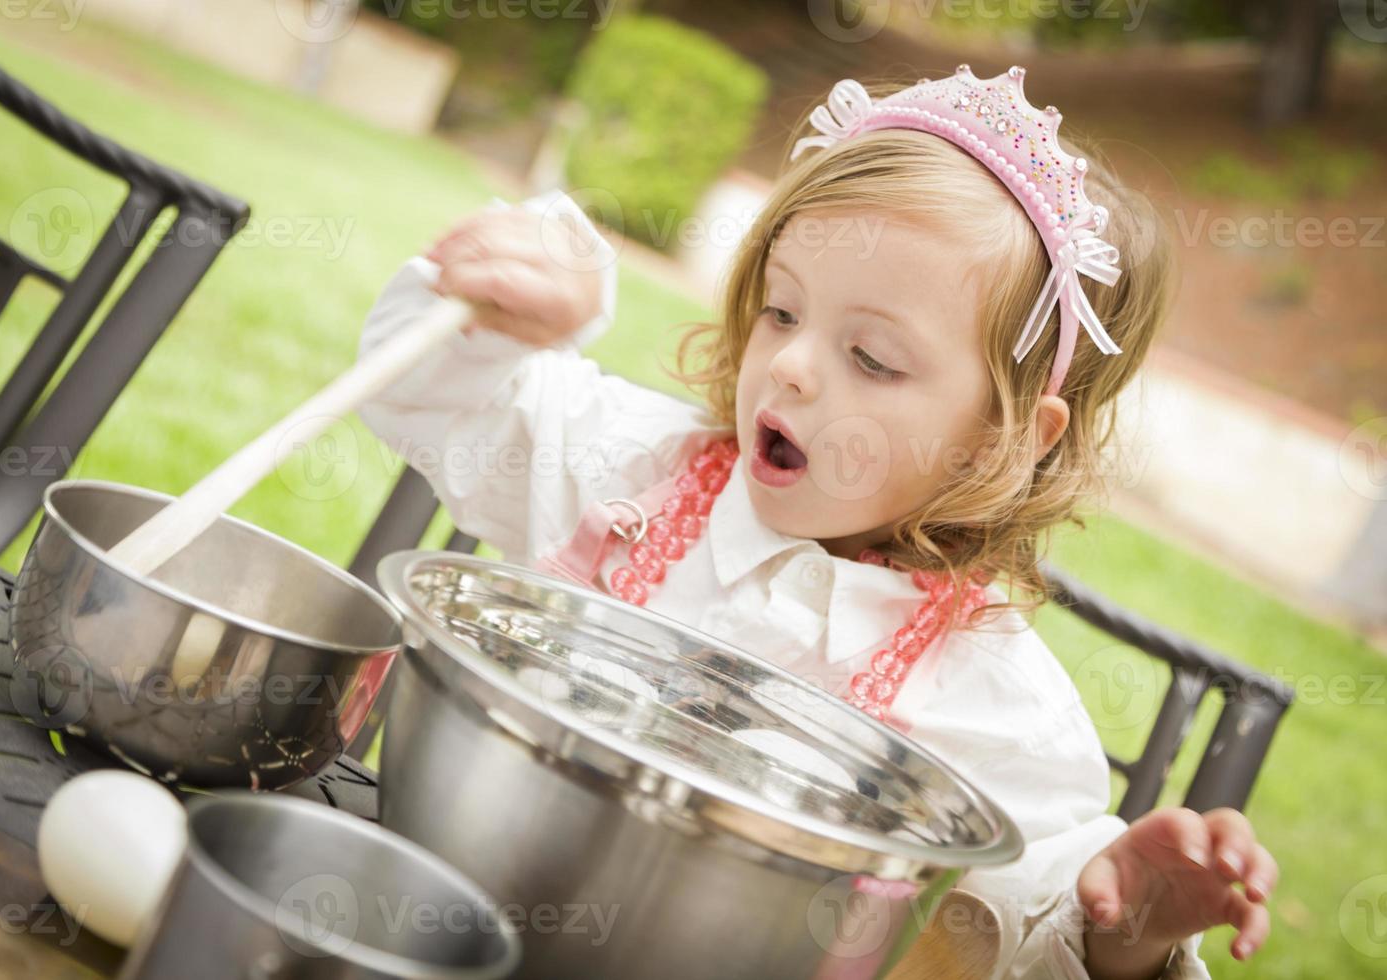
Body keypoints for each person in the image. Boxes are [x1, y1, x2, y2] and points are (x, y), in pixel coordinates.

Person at [354, 66, 1276, 980]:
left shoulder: (1000, 711)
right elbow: (426, 393)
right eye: (781, 308)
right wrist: (497, 306)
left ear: (1000, 439)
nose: (790, 364)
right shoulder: (634, 467)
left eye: (871, 357)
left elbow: (1023, 943)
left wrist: (1129, 929)